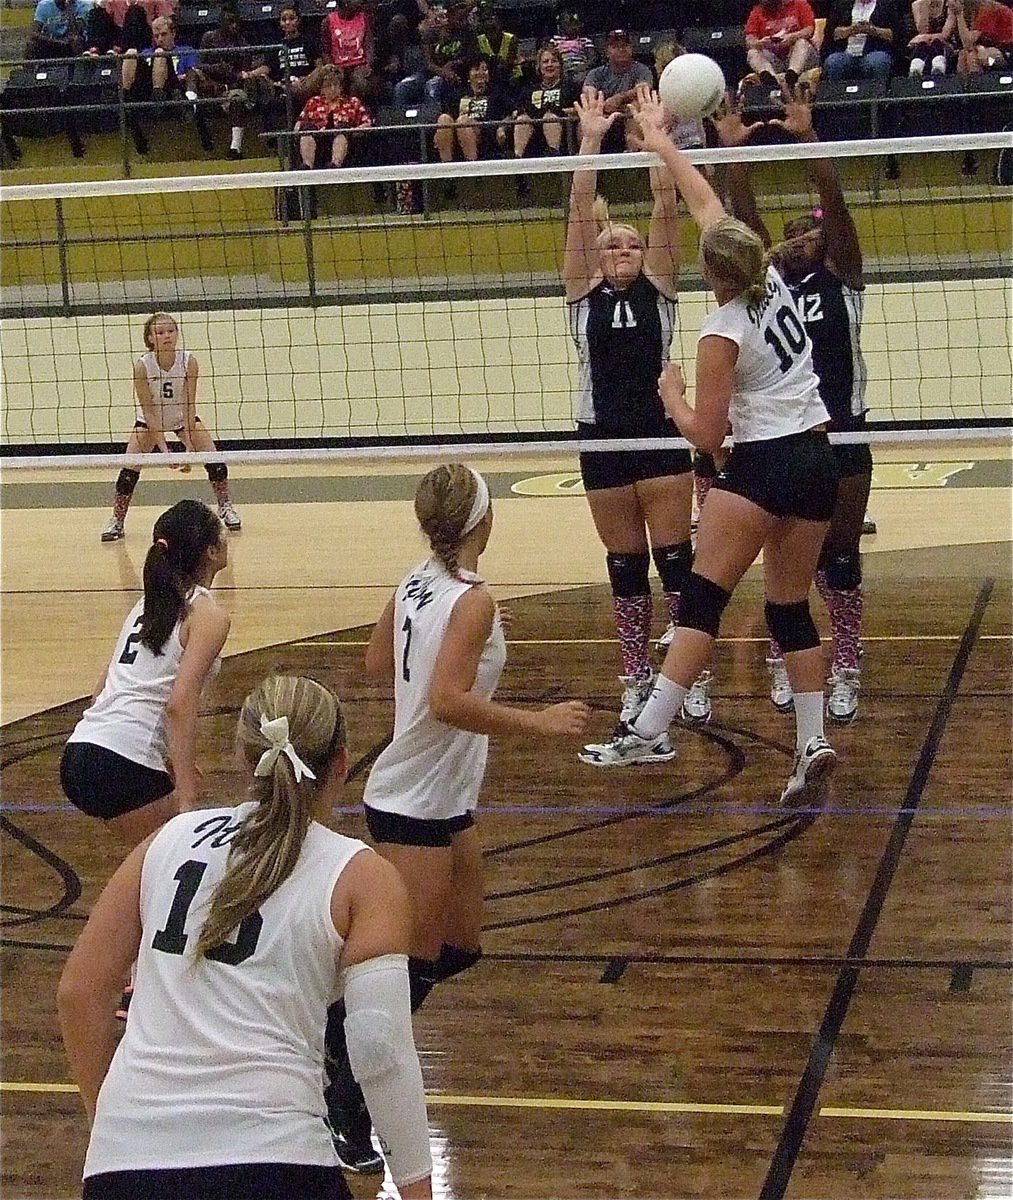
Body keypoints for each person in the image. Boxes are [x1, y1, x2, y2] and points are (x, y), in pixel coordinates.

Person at [58, 673, 433, 1200]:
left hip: (126, 1162)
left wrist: (113, 1123)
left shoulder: (165, 842)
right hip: (273, 1160)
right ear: (342, 765)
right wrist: (418, 1188)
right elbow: (378, 1047)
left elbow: (80, 992)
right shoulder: (360, 875)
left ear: (242, 759)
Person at [323, 463, 589, 1173]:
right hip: (412, 800)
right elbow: (444, 699)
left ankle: (335, 1029)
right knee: (402, 969)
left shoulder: (418, 579)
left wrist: (453, 650)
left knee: (460, 948)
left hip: (437, 796)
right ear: (482, 521)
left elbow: (378, 661)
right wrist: (536, 723)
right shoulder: (471, 600)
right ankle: (342, 1099)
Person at [580, 88, 839, 810]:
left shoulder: (720, 329)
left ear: (710, 272)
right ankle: (811, 739)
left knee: (699, 599)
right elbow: (705, 207)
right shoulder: (776, 281)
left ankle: (648, 731)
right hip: (816, 461)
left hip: (762, 467)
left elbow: (707, 435)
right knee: (789, 609)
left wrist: (670, 396)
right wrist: (663, 143)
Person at [715, 88, 872, 724]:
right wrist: (734, 158)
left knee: (839, 554)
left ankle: (848, 663)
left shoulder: (846, 279)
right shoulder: (768, 290)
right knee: (786, 561)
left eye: (811, 230)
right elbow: (743, 227)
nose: (802, 236)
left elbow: (835, 209)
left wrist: (810, 140)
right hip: (784, 435)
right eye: (792, 233)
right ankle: (788, 654)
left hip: (843, 431)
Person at [563, 88, 709, 734]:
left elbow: (665, 206)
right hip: (600, 442)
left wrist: (655, 140)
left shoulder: (660, 290)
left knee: (675, 561)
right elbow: (576, 211)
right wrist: (590, 141)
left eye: (629, 245)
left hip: (656, 435)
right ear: (596, 255)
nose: (621, 250)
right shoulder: (580, 296)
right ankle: (635, 679)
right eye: (611, 245)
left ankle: (689, 678)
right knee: (624, 570)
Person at [62, 499, 231, 847]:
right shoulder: (207, 615)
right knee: (176, 862)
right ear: (211, 551)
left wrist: (166, 758)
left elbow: (100, 693)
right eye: (220, 528)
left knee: (150, 870)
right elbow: (179, 704)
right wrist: (186, 797)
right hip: (123, 762)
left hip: (80, 752)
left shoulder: (147, 605)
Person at [100, 313, 241, 543]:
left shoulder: (189, 361)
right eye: (160, 332)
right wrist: (164, 451)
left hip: (181, 418)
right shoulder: (142, 366)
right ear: (150, 338)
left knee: (214, 458)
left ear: (177, 334)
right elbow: (148, 410)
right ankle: (117, 520)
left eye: (171, 331)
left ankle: (225, 507)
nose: (167, 336)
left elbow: (189, 404)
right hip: (150, 422)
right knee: (129, 469)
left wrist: (188, 447)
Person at [433, 56, 512, 170]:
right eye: (476, 69)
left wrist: (502, 127)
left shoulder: (497, 93)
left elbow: (513, 113)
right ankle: (446, 170)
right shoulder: (458, 93)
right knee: (444, 118)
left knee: (463, 121)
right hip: (458, 134)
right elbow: (448, 114)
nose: (480, 72)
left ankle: (473, 169)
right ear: (469, 75)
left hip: (486, 133)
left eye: (484, 69)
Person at [582, 29, 654, 153]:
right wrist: (603, 105)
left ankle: (634, 154)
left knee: (635, 106)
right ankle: (587, 159)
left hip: (629, 113)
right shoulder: (596, 73)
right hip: (604, 113)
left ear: (631, 48)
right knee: (589, 114)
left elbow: (643, 89)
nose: (621, 49)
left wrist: (619, 98)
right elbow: (588, 93)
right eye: (615, 46)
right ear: (607, 51)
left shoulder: (642, 69)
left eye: (625, 45)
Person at [294, 64, 373, 168]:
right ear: (322, 88)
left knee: (342, 130)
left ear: (341, 87)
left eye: (335, 85)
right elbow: (298, 124)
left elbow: (367, 123)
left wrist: (353, 130)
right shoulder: (313, 102)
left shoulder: (353, 102)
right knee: (307, 129)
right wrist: (299, 130)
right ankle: (307, 166)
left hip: (346, 143)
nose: (332, 88)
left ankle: (335, 164)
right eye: (328, 85)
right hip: (318, 142)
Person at [509, 44, 578, 162]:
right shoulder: (529, 90)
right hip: (533, 133)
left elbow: (579, 110)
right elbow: (518, 112)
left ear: (560, 66)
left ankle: (554, 155)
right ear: (539, 67)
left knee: (549, 117)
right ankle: (517, 160)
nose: (550, 65)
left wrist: (558, 112)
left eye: (554, 61)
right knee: (522, 120)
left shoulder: (571, 87)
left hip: (564, 130)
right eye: (545, 62)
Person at [744, 0, 821, 86]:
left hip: (799, 55)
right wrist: (759, 43)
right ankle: (770, 79)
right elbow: (749, 40)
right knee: (752, 52)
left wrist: (792, 37)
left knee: (802, 43)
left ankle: (792, 75)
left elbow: (809, 30)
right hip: (774, 58)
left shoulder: (799, 4)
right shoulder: (757, 11)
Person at [822, 0, 900, 83]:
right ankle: (836, 94)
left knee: (878, 61)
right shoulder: (841, 5)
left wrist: (873, 30)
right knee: (834, 61)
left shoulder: (887, 5)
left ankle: (878, 93)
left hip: (875, 51)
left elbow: (894, 35)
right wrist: (850, 30)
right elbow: (831, 34)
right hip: (846, 52)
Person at [952, 0, 1013, 74]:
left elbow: (967, 43)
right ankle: (964, 84)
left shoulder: (989, 9)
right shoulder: (975, 13)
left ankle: (979, 83)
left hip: (1006, 53)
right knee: (963, 55)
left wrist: (959, 15)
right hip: (991, 49)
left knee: (974, 56)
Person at [548, 10, 597, 86]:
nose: (572, 27)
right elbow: (549, 55)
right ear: (560, 26)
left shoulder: (585, 40)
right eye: (567, 24)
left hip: (581, 69)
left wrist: (583, 68)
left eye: (574, 24)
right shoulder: (555, 40)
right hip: (562, 69)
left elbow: (592, 58)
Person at [906, 0, 957, 73]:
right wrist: (924, 7)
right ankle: (916, 71)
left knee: (936, 43)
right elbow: (922, 30)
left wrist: (921, 37)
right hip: (922, 42)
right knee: (921, 45)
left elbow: (946, 34)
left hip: (945, 43)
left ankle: (938, 69)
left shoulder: (949, 4)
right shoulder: (917, 4)